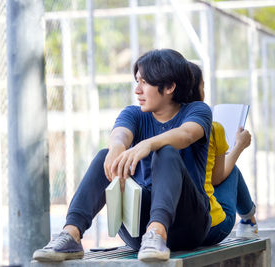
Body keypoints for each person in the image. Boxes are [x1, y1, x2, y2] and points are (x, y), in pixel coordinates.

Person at [33, 49, 212, 262]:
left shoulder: (197, 111)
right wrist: (117, 148)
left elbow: (186, 133)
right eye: (137, 81)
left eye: (145, 83)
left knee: (165, 152)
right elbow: (120, 135)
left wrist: (148, 144)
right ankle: (71, 233)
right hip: (139, 231)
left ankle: (158, 231)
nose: (137, 90)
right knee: (104, 156)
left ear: (170, 87)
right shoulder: (134, 113)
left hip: (188, 224)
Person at [188, 62, 258, 246]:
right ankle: (249, 219)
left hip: (170, 229)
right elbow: (217, 178)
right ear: (197, 91)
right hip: (211, 228)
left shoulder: (158, 128)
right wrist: (238, 146)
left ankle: (249, 219)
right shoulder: (212, 128)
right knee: (231, 170)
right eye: (203, 86)